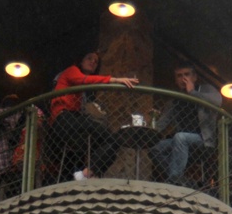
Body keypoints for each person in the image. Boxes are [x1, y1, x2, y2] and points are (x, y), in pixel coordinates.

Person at [47, 51, 136, 180]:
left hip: (72, 122)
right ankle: (86, 174)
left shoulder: (83, 91)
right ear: (81, 60)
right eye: (89, 58)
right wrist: (115, 79)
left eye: (96, 61)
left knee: (110, 141)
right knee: (108, 137)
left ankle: (90, 174)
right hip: (63, 119)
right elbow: (84, 80)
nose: (93, 62)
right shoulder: (72, 70)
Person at [149, 65, 221, 185]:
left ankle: (174, 179)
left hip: (203, 140)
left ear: (194, 77)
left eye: (187, 74)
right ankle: (180, 179)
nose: (183, 78)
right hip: (180, 142)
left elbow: (217, 101)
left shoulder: (204, 89)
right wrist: (147, 133)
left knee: (180, 137)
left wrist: (192, 92)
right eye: (179, 76)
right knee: (155, 148)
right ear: (176, 80)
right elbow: (163, 122)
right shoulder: (175, 100)